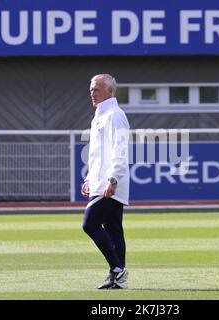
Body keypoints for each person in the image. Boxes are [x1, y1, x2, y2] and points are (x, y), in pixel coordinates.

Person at [81, 74, 130, 289]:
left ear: (110, 91)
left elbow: (120, 149)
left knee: (89, 223)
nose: (92, 93)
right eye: (91, 89)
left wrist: (113, 178)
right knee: (113, 228)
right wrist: (89, 178)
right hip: (101, 182)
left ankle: (117, 269)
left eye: (97, 89)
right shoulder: (100, 115)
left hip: (110, 184)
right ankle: (119, 278)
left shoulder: (114, 115)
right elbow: (99, 154)